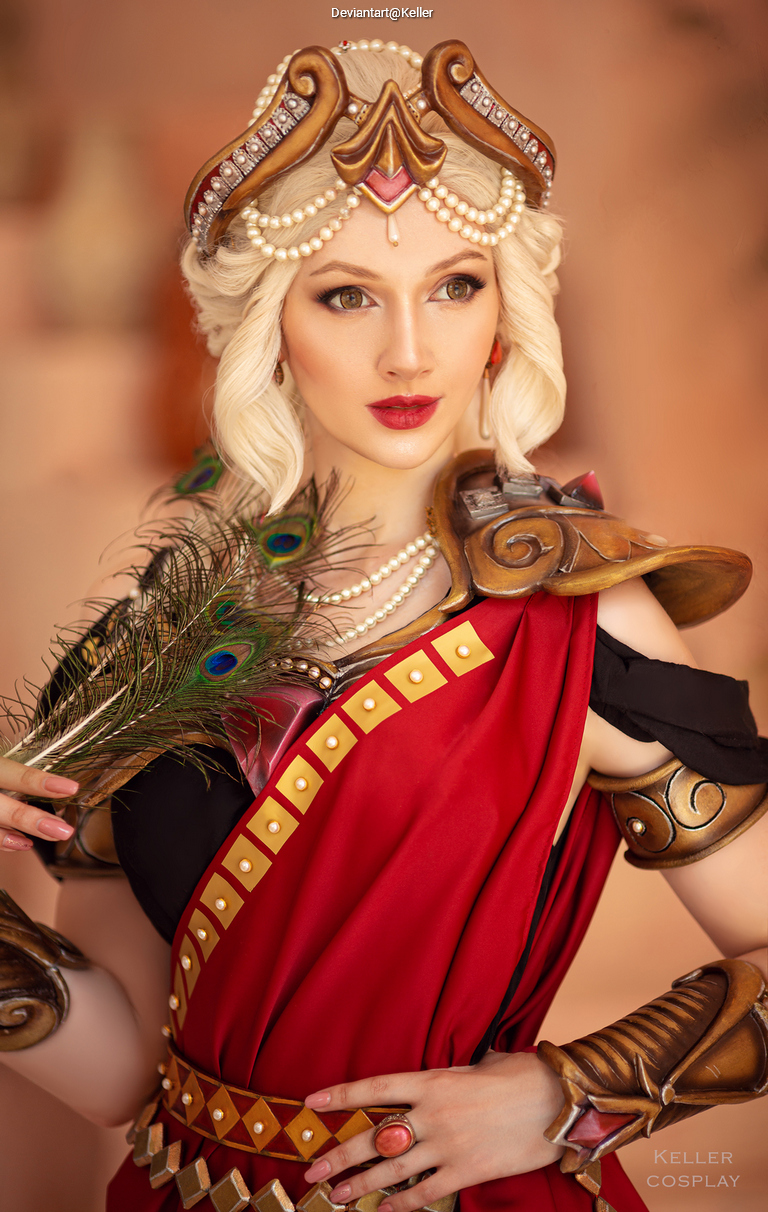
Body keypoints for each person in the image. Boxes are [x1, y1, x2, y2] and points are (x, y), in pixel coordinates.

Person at [0, 38, 766, 1212]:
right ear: (271, 322)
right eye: (346, 294)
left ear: (504, 313)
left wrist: (562, 1097)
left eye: (456, 286)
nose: (410, 350)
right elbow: (121, 1074)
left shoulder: (580, 617)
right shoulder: (163, 640)